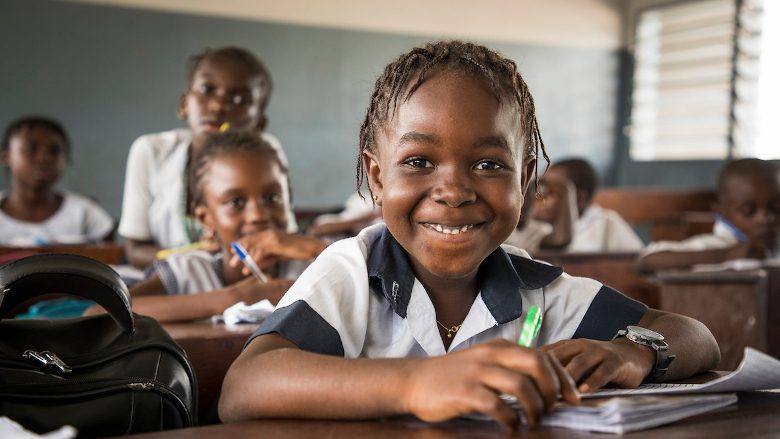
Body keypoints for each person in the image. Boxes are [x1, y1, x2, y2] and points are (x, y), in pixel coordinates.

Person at [219, 41, 719, 430]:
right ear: (376, 178)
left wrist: (634, 351)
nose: (454, 191)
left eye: (488, 164)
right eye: (418, 162)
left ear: (523, 180)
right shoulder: (353, 270)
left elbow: (697, 338)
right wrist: (417, 384)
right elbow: (243, 388)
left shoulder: (539, 291)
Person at [87, 132, 325, 323]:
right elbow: (98, 313)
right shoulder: (190, 270)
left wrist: (318, 249)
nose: (257, 216)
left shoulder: (314, 265)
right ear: (205, 218)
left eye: (273, 198)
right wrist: (234, 297)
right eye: (236, 202)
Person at [118, 46, 296, 269]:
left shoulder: (267, 152)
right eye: (206, 89)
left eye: (240, 100)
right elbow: (135, 251)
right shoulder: (150, 151)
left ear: (259, 123)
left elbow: (283, 237)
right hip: (170, 281)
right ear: (184, 104)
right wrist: (196, 261)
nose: (218, 105)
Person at [636, 158, 780, 272]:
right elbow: (646, 262)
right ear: (722, 212)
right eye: (748, 211)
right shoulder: (711, 246)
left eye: (776, 209)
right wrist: (728, 255)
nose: (765, 219)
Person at [0, 116, 114, 246]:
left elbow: (110, 259)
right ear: (5, 157)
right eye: (30, 149)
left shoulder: (86, 213)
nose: (43, 158)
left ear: (66, 158)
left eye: (54, 151)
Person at [534, 158, 643, 253]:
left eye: (551, 192)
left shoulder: (606, 222)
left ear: (580, 198)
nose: (541, 199)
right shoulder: (537, 226)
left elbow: (634, 259)